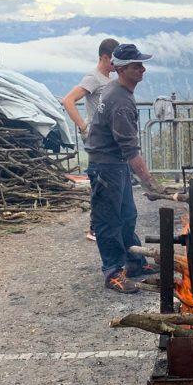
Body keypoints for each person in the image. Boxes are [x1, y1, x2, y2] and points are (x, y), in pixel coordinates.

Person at [85, 43, 165, 294]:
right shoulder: (119, 101)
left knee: (127, 216)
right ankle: (113, 272)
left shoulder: (118, 90)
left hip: (115, 165)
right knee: (109, 221)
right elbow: (130, 149)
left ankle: (134, 262)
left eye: (141, 64)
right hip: (106, 167)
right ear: (120, 69)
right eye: (135, 66)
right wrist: (150, 183)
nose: (142, 69)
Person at [63, 38, 119, 241]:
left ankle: (107, 225)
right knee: (101, 182)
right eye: (114, 60)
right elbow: (68, 100)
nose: (117, 64)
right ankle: (95, 228)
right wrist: (84, 127)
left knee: (111, 183)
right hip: (98, 140)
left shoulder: (110, 79)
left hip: (110, 139)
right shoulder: (93, 78)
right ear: (105, 57)